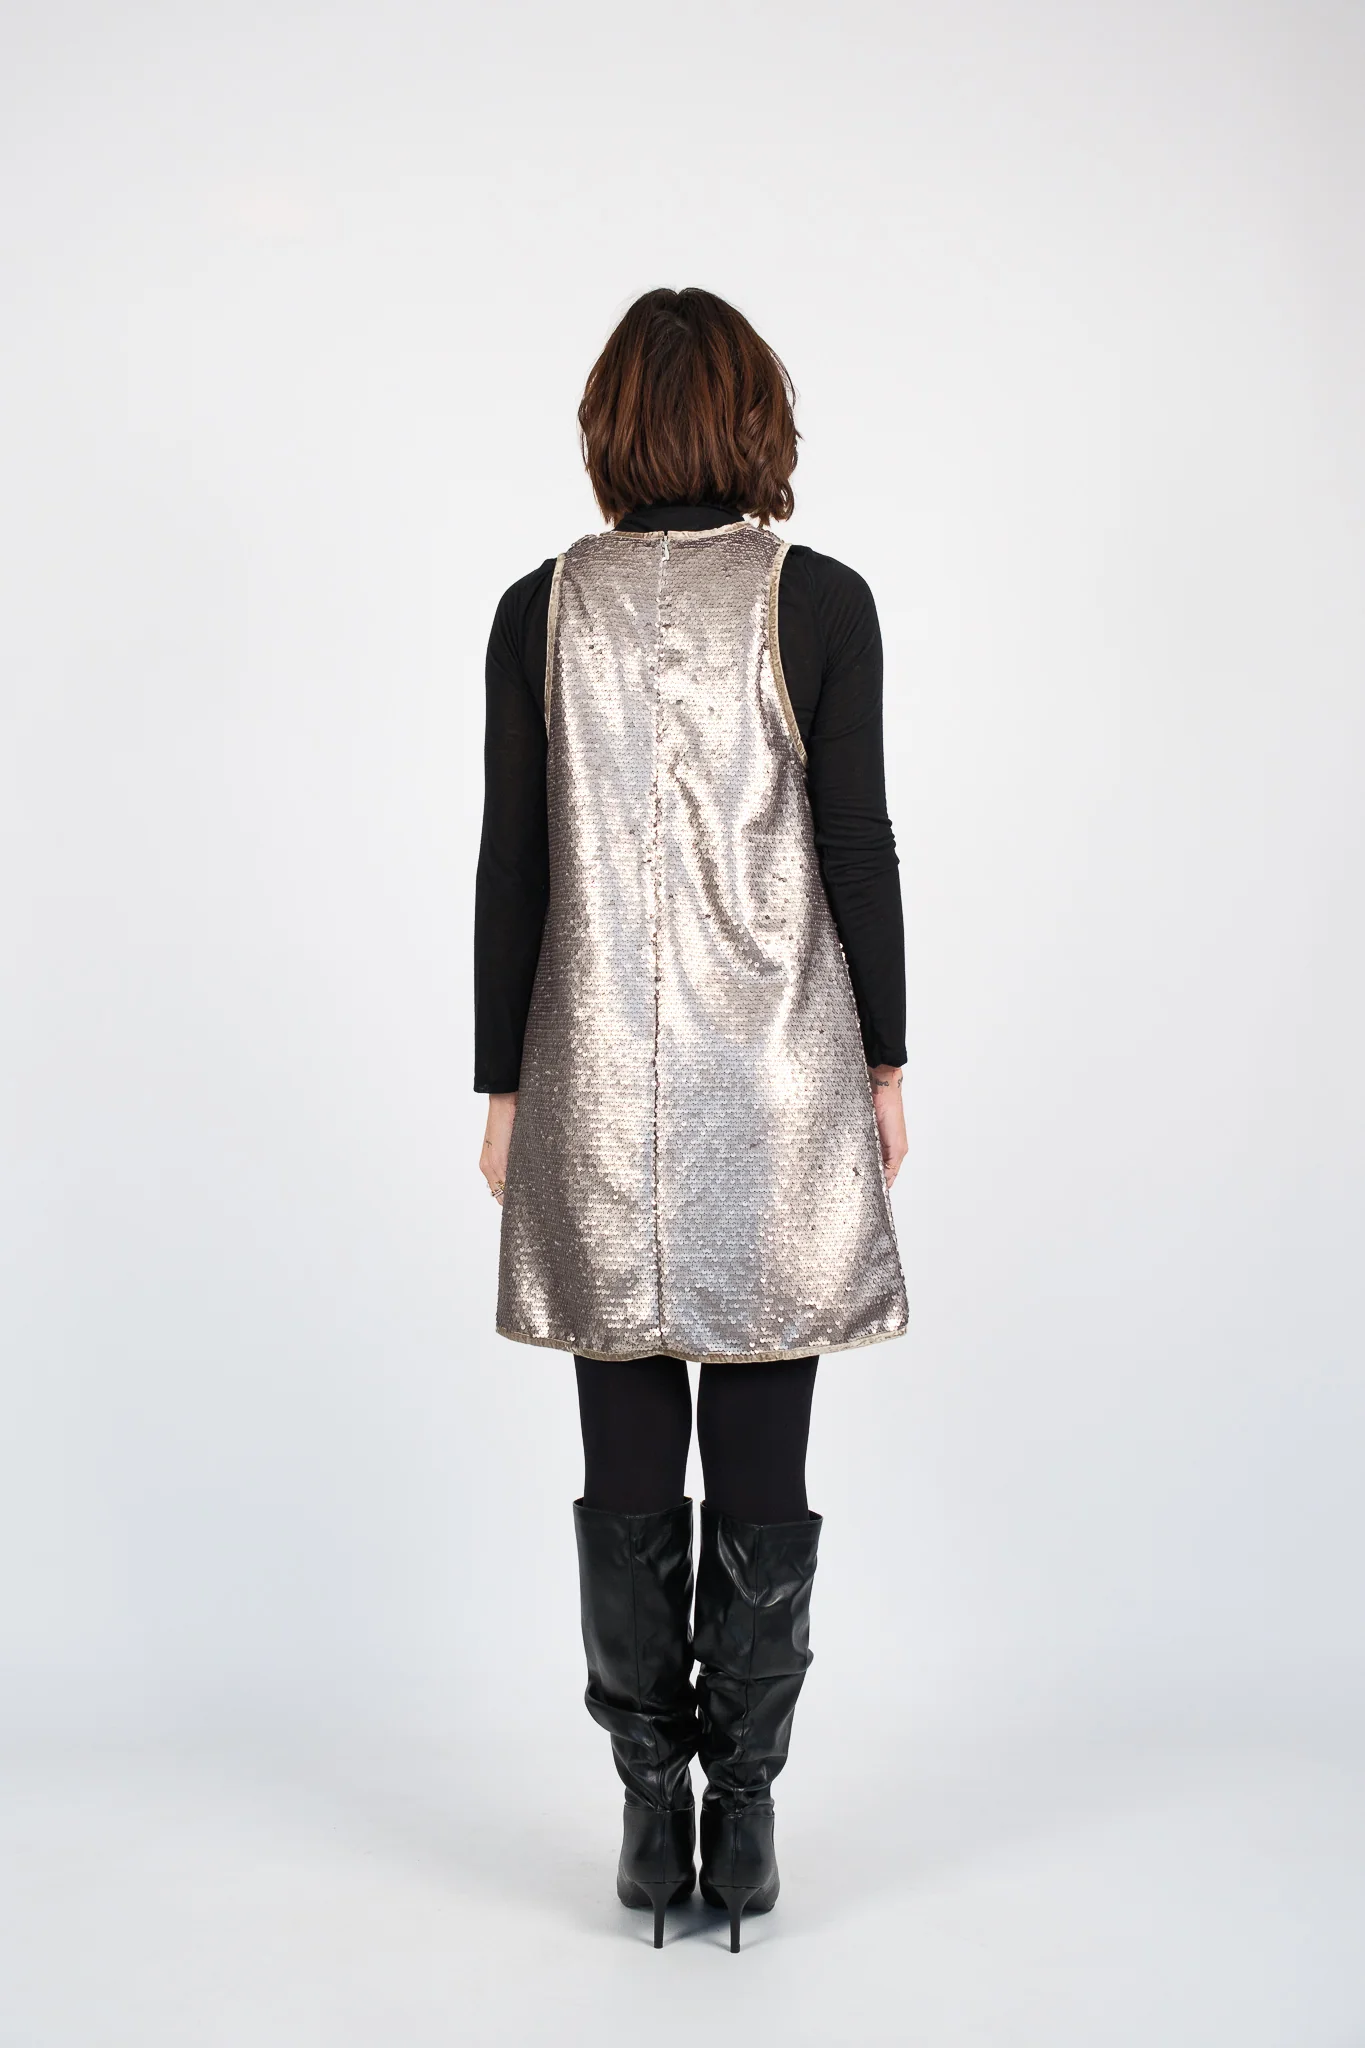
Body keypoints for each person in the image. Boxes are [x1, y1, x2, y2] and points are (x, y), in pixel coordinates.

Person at [474, 287, 908, 1951]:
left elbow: (512, 859)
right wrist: (887, 1062)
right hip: (781, 1072)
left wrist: (503, 1090)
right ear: (755, 418)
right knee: (767, 1441)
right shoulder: (824, 599)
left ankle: (654, 1817)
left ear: (610, 427)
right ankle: (749, 1810)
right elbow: (856, 842)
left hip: (591, 1078)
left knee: (625, 1443)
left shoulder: (537, 610)